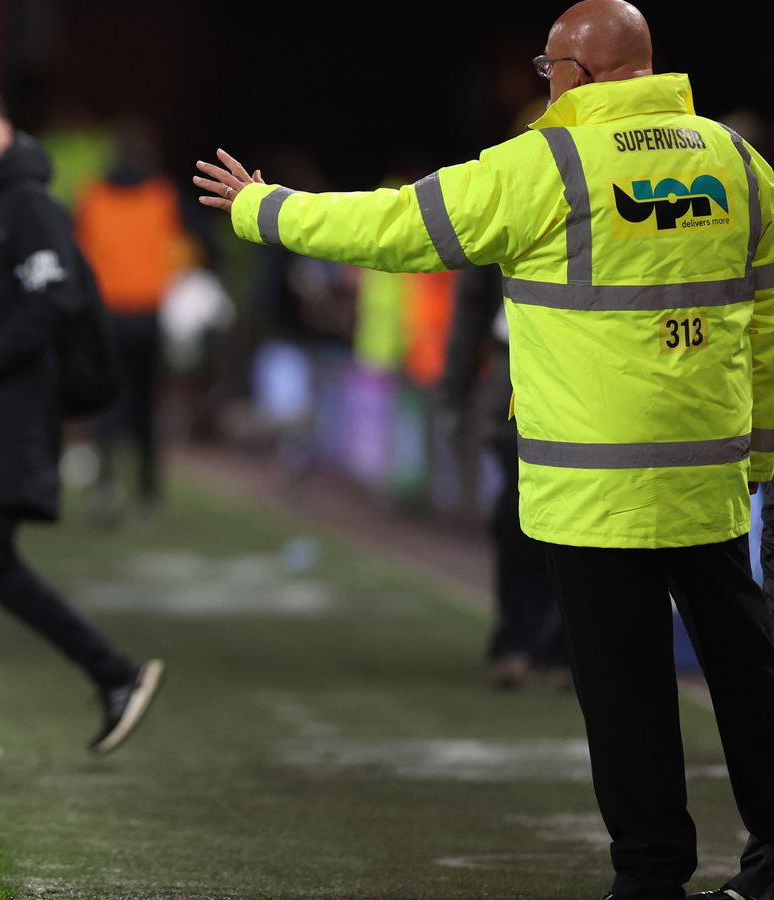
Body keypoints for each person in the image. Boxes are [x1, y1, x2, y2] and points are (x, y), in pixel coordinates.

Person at [195, 2, 774, 898]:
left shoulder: (544, 164)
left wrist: (264, 208)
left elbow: (396, 227)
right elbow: (766, 321)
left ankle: (650, 878)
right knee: (748, 674)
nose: (546, 86)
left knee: (627, 699)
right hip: (708, 478)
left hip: (595, 492)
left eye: (549, 70)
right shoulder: (737, 162)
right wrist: (763, 460)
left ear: (576, 73)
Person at [0, 76, 165, 764]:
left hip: (5, 413)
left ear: (6, 132)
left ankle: (115, 674)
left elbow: (56, 302)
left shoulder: (29, 205)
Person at [438, 264, 571, 690]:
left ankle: (565, 650)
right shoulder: (502, 204)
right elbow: (471, 307)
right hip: (511, 383)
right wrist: (455, 393)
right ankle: (517, 642)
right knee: (516, 521)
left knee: (577, 524)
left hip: (579, 379)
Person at [74, 122, 183, 521]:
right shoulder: (161, 196)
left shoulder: (92, 195)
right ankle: (148, 491)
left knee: (107, 404)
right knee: (146, 404)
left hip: (107, 313)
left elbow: (81, 251)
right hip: (147, 313)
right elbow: (172, 248)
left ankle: (105, 488)